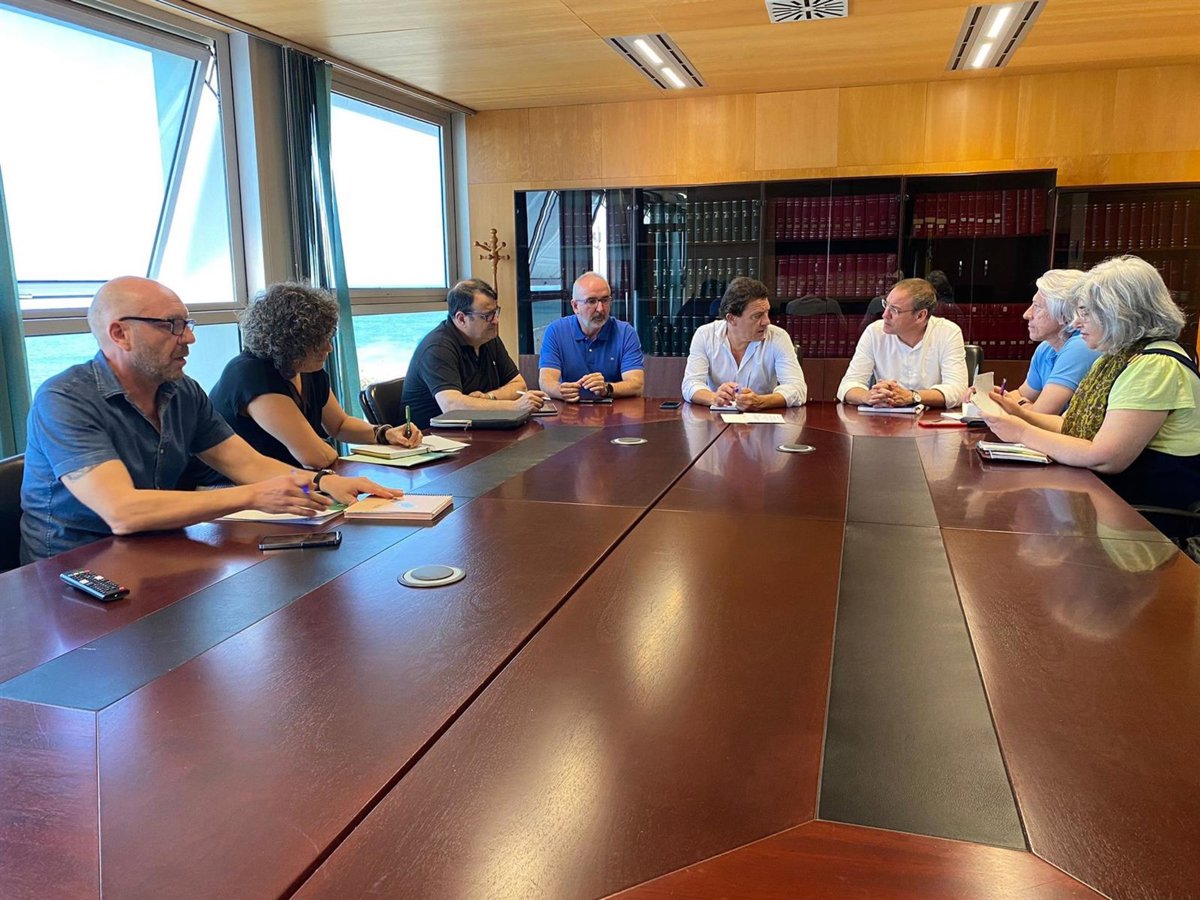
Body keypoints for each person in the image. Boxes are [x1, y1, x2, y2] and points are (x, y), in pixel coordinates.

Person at [19, 277, 400, 563]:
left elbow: (249, 465)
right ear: (120, 333)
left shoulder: (182, 391)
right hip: (73, 570)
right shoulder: (65, 399)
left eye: (188, 324)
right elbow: (123, 511)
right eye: (171, 325)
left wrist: (323, 482)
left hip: (157, 547)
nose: (188, 338)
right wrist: (252, 496)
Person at [982, 255, 1200, 526]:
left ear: (1119, 312)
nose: (1076, 323)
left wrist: (1022, 432)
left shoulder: (1155, 366)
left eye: (1086, 312)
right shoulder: (1115, 358)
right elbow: (1070, 425)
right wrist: (1018, 414)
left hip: (1144, 521)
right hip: (1109, 500)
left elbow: (1106, 458)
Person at [205, 283, 424, 473]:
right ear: (291, 343)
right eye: (318, 342)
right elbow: (314, 457)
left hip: (284, 479)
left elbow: (340, 425)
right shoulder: (251, 375)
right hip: (233, 487)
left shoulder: (306, 368)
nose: (328, 348)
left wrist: (385, 433)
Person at [404, 278, 546, 429]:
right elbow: (452, 406)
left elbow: (519, 386)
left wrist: (489, 397)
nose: (496, 321)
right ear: (461, 319)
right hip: (431, 436)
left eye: (496, 312)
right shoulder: (437, 348)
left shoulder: (488, 338)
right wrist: (515, 407)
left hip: (475, 429)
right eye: (487, 316)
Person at [837, 277, 968, 409]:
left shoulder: (948, 332)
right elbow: (848, 385)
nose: (885, 315)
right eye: (886, 305)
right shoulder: (874, 332)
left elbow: (957, 390)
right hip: (885, 419)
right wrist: (869, 396)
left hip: (932, 418)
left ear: (920, 315)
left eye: (894, 310)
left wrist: (912, 396)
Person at [682, 276, 807, 409]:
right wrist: (714, 398)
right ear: (731, 319)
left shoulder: (778, 337)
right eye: (757, 316)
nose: (767, 321)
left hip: (763, 418)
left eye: (767, 313)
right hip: (716, 418)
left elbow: (797, 389)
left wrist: (760, 401)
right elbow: (691, 384)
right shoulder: (705, 335)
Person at [1004, 269, 1102, 415]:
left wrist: (1019, 404)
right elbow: (1022, 395)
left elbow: (1040, 414)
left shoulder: (1081, 345)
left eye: (1037, 307)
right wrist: (986, 398)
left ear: (1063, 314)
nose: (1026, 314)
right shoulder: (1046, 347)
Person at [539, 272, 645, 402]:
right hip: (570, 409)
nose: (600, 309)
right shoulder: (556, 331)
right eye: (591, 301)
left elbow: (636, 385)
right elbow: (546, 381)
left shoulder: (625, 333)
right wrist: (561, 391)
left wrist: (606, 388)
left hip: (614, 410)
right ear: (575, 306)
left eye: (605, 300)